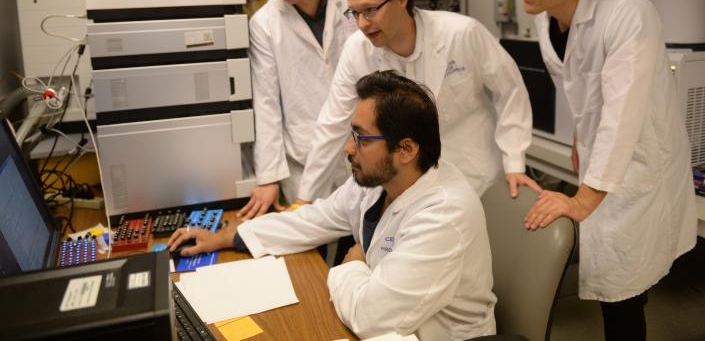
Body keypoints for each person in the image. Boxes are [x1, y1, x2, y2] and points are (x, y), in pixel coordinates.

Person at [169, 70, 496, 340]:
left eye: (361, 138)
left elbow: (371, 317)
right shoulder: (382, 180)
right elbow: (315, 219)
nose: (347, 149)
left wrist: (350, 264)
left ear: (406, 149)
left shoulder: (445, 214)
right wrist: (231, 237)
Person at [518, 0, 697, 340]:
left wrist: (582, 200)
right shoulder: (547, 22)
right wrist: (582, 139)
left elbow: (622, 112)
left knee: (622, 285)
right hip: (603, 157)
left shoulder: (629, 13)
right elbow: (580, 92)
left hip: (639, 164)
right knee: (619, 276)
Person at [292, 0, 538, 204]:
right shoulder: (358, 50)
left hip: (474, 172)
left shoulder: (461, 33)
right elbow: (332, 122)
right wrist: (306, 198)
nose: (362, 24)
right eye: (354, 13)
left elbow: (510, 92)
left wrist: (515, 162)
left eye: (370, 10)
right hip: (408, 183)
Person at [238, 0, 356, 220]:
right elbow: (266, 103)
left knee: (362, 247)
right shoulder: (264, 24)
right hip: (302, 159)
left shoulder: (352, 7)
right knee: (309, 255)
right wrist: (268, 176)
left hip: (358, 150)